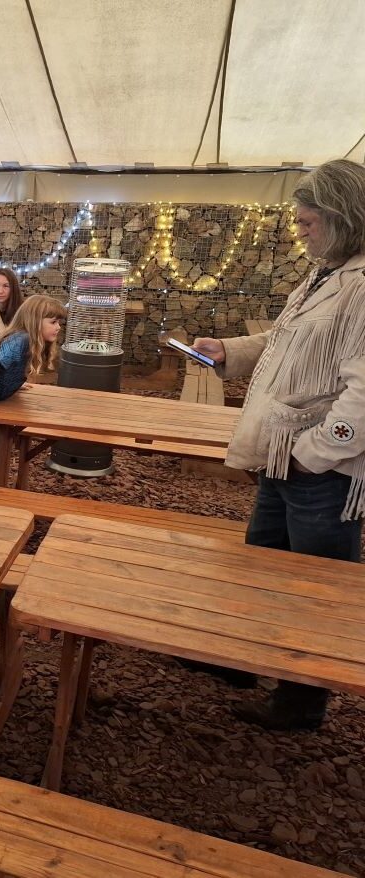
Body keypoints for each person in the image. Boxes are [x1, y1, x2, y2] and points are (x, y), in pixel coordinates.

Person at [190, 158, 365, 731]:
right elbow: (283, 340)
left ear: (343, 218)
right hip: (282, 454)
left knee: (313, 587)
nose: (300, 230)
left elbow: (364, 390)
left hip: (321, 467)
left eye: (309, 222)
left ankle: (300, 701)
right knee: (261, 565)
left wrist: (315, 452)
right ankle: (246, 658)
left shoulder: (362, 286)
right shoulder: (325, 274)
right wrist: (229, 351)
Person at [0, 295, 66, 482]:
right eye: (53, 322)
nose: (58, 327)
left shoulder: (31, 341)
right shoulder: (20, 340)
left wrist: (14, 382)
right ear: (34, 320)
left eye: (59, 322)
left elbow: (8, 368)